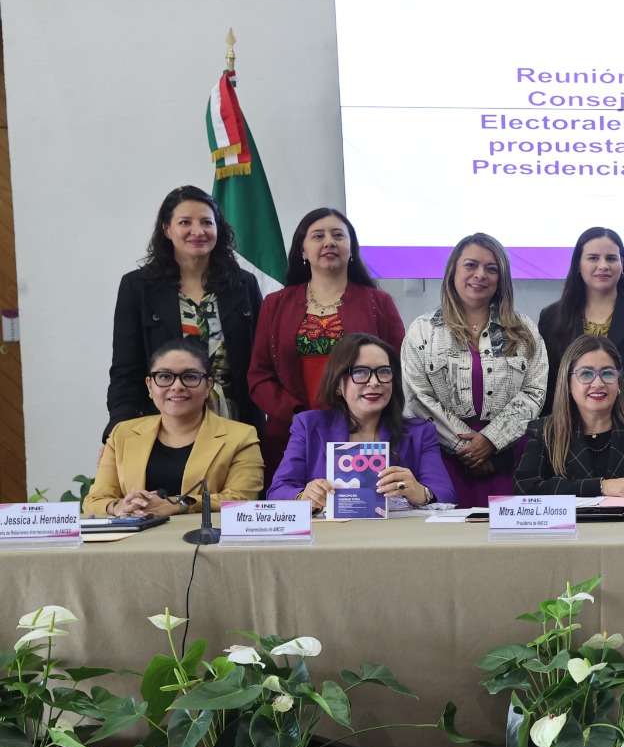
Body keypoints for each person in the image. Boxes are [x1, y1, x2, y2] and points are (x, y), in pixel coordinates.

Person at [249, 208, 406, 478]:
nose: (329, 242)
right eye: (318, 236)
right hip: (291, 432)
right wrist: (298, 416)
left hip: (364, 434)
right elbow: (259, 376)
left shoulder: (378, 303)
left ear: (351, 249)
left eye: (338, 235)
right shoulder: (275, 304)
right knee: (296, 499)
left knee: (359, 501)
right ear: (302, 250)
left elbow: (400, 367)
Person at [402, 233, 548, 507]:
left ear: (501, 279)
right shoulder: (422, 330)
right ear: (453, 271)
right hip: (445, 459)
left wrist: (491, 441)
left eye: (491, 268)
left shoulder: (525, 330)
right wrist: (467, 448)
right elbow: (417, 396)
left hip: (509, 458)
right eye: (471, 265)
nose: (480, 274)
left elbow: (534, 391)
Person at [106, 186, 262, 440]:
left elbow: (262, 362)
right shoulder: (138, 287)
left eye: (206, 222)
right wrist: (118, 431)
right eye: (185, 222)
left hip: (237, 423)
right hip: (166, 425)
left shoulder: (244, 284)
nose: (198, 231)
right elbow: (126, 370)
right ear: (167, 229)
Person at [267, 333, 451, 510]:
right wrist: (303, 497)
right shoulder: (308, 425)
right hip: (331, 530)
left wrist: (421, 492)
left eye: (384, 372)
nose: (374, 382)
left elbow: (446, 494)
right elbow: (277, 491)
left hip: (396, 530)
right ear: (338, 383)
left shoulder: (420, 432)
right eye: (360, 372)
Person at [85, 339, 263, 516]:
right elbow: (95, 501)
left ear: (208, 385)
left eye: (190, 376)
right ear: (149, 385)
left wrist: (181, 504)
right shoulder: (122, 433)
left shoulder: (241, 436)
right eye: (165, 377)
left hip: (203, 534)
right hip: (136, 534)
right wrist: (118, 506)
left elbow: (242, 499)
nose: (177, 386)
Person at [536, 226, 624, 420]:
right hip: (566, 426)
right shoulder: (552, 317)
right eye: (593, 258)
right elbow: (546, 381)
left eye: (611, 258)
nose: (603, 265)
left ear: (622, 265)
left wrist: (620, 421)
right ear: (578, 265)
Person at [514, 336, 624, 500]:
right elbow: (525, 489)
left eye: (607, 373)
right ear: (568, 383)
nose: (598, 384)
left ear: (618, 383)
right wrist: (601, 486)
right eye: (586, 374)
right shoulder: (544, 431)